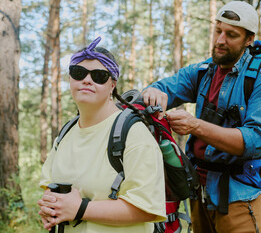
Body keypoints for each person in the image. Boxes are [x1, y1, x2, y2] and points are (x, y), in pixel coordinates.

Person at [142, 1, 261, 233]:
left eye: (231, 35)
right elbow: (165, 87)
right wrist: (153, 92)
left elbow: (252, 141)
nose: (220, 40)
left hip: (239, 198)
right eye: (218, 30)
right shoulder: (203, 72)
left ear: (249, 39)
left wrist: (195, 125)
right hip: (198, 193)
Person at [37, 36, 166, 233]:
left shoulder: (134, 134)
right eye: (78, 73)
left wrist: (80, 209)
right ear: (70, 78)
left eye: (98, 76)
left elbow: (146, 208)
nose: (87, 80)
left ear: (112, 85)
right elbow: (49, 186)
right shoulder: (66, 133)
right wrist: (49, 205)